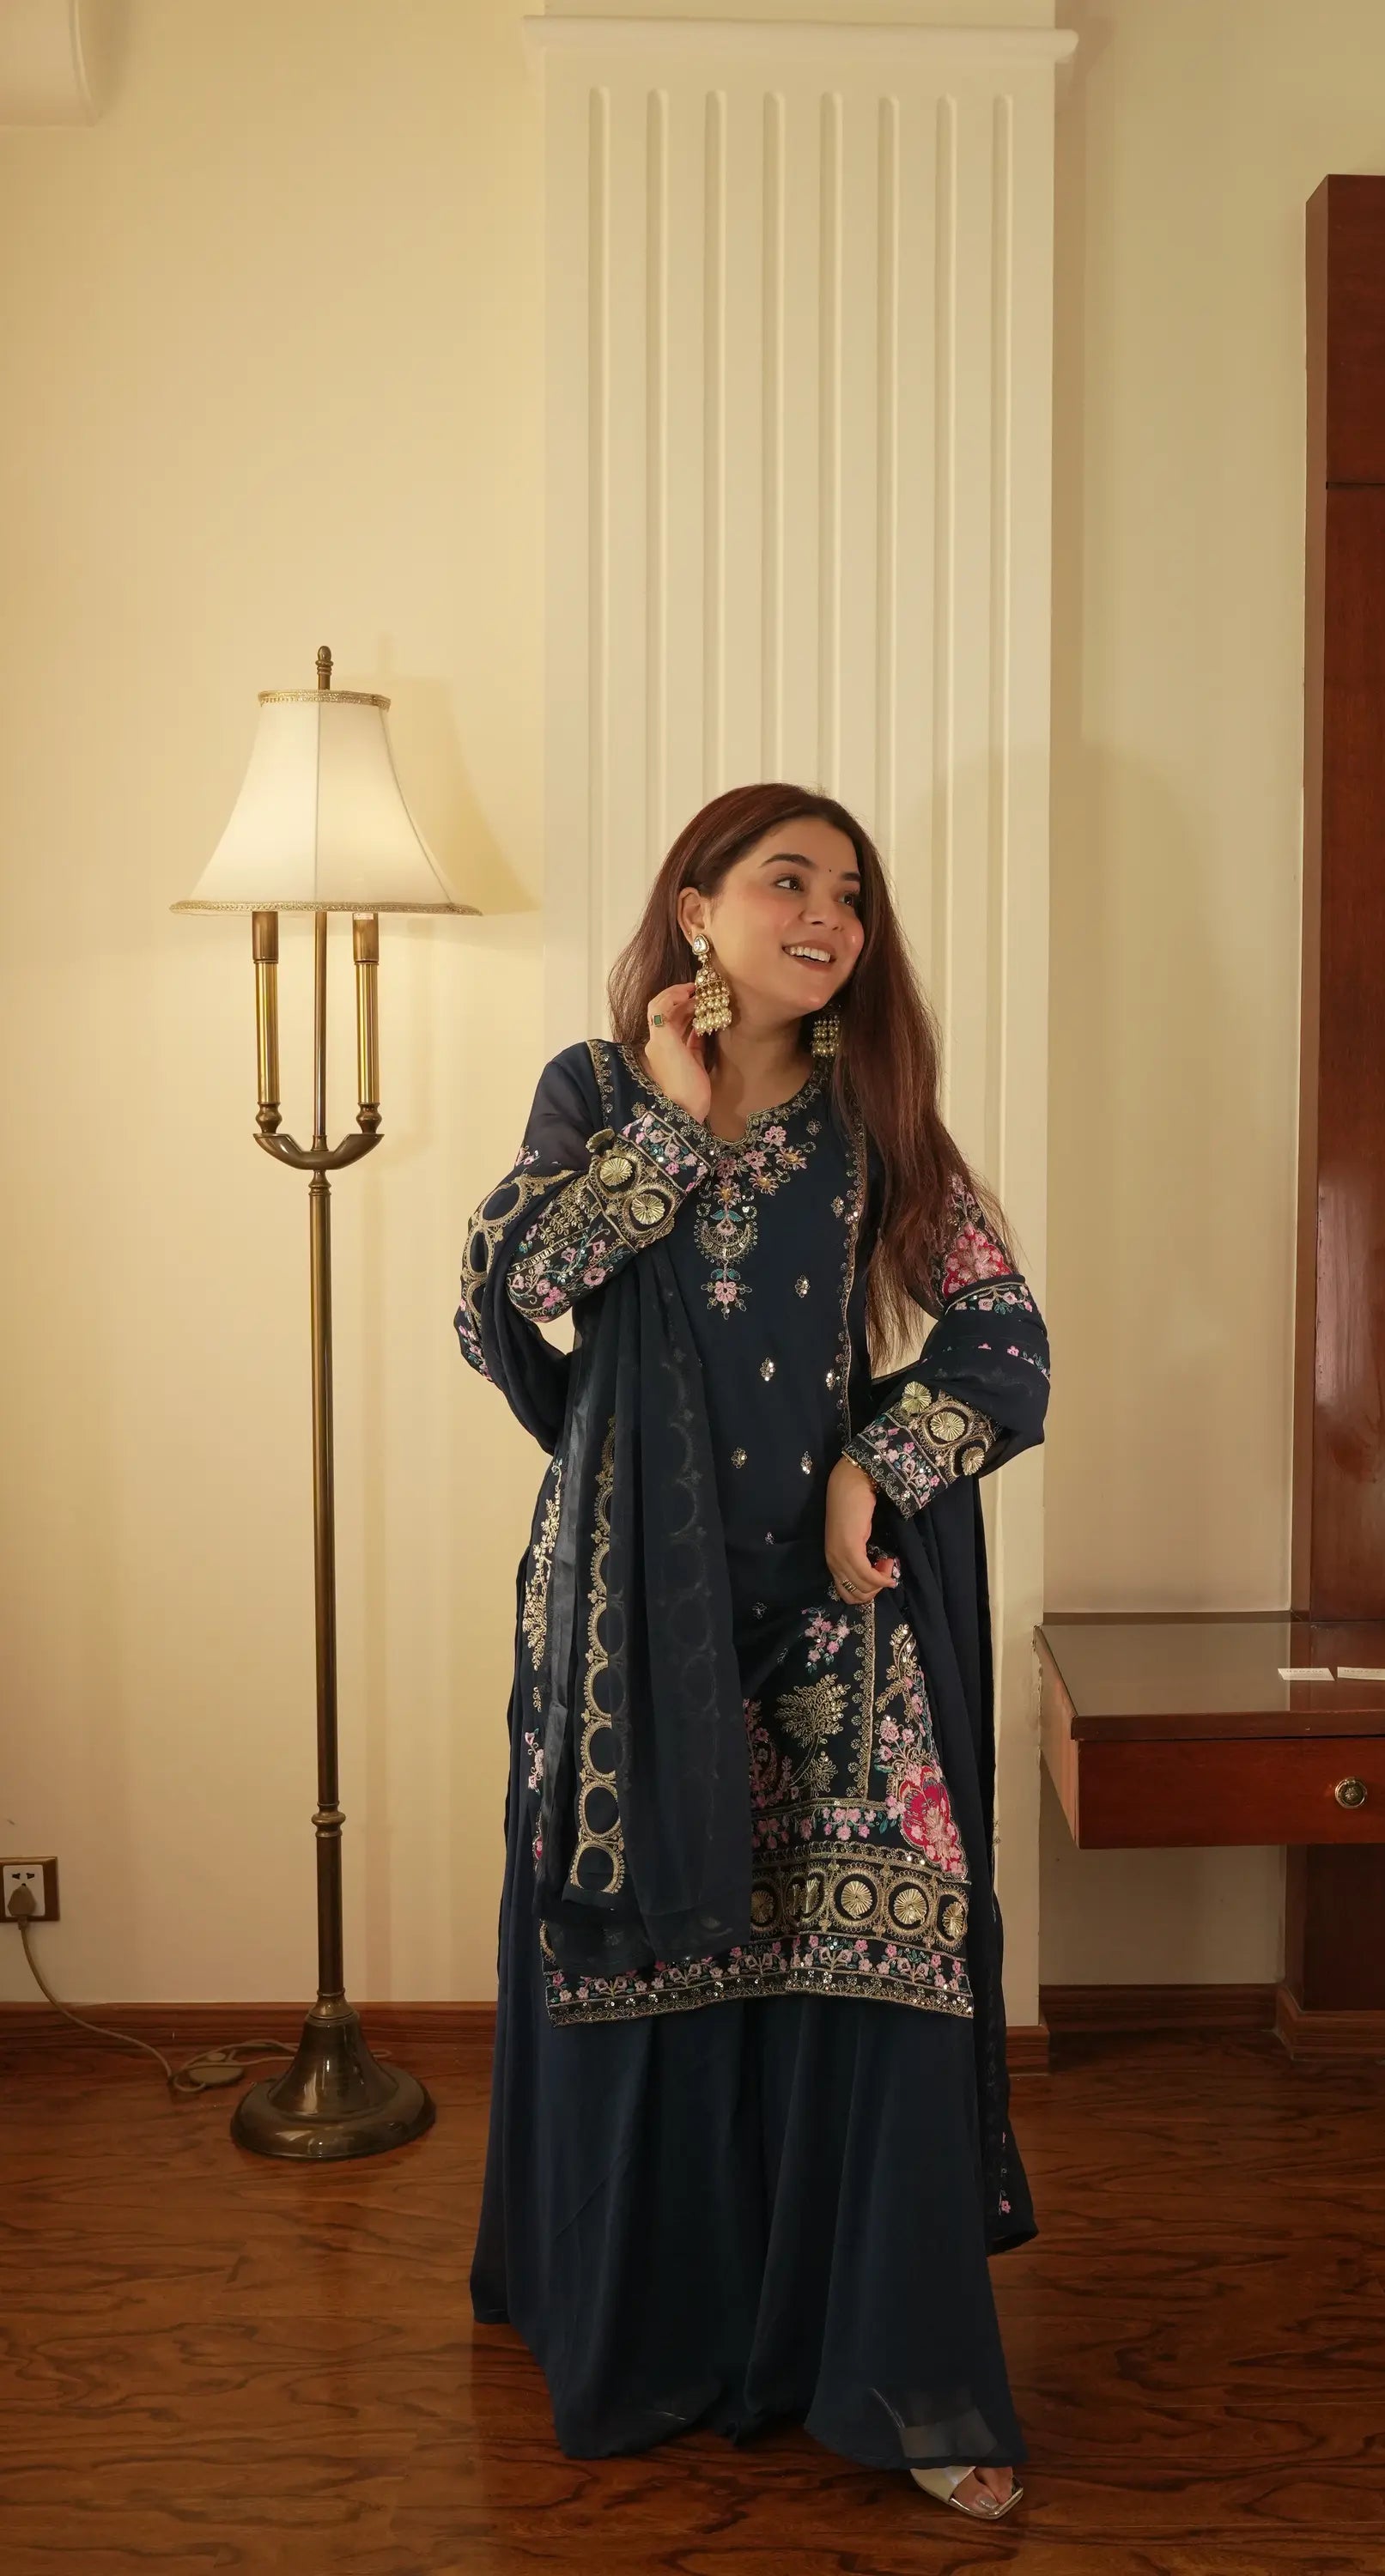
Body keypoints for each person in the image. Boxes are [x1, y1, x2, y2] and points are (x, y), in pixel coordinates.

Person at [456, 781, 1050, 2520]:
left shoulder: (884, 1130)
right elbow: (507, 1301)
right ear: (696, 911)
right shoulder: (592, 1090)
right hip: (632, 1621)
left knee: (880, 1974)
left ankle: (898, 2375)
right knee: (642, 1960)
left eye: (851, 895)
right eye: (787, 881)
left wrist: (892, 1452)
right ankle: (647, 2346)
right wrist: (666, 1114)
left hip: (835, 1617)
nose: (829, 915)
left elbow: (1006, 1338)